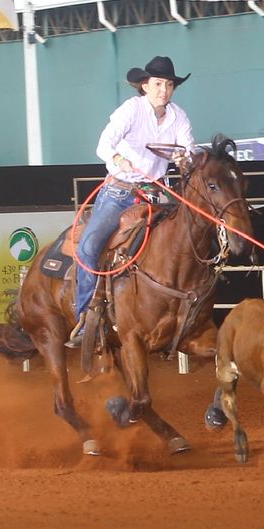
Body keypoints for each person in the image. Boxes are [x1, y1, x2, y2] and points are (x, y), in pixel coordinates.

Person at [66, 56, 195, 347]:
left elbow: (189, 150)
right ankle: (86, 316)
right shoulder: (131, 110)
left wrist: (183, 158)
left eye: (170, 84)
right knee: (89, 247)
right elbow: (103, 144)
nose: (164, 90)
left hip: (157, 193)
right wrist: (116, 158)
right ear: (145, 86)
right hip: (120, 192)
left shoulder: (179, 117)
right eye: (159, 84)